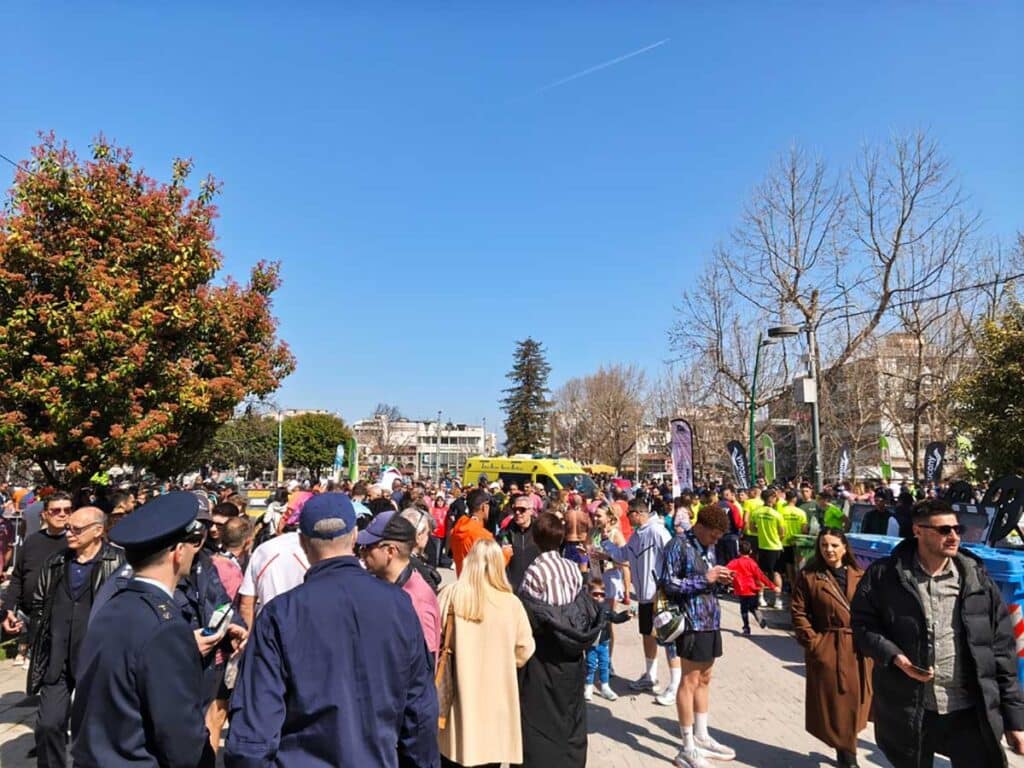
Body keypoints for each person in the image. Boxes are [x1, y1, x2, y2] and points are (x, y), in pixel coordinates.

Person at [224, 493, 439, 767]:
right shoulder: (398, 605)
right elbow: (419, 712)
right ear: (354, 536)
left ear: (303, 543)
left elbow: (253, 729)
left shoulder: (281, 614)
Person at [852, 498, 1024, 768]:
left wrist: (1015, 720)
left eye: (957, 529)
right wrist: (895, 657)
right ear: (918, 531)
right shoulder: (885, 576)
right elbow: (863, 626)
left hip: (970, 710)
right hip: (912, 710)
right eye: (944, 530)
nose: (954, 536)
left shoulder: (976, 579)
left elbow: (1002, 651)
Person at [70, 492, 217, 768]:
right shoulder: (166, 626)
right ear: (178, 552)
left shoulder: (112, 606)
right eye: (194, 542)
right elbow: (181, 738)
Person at [27, 506, 124, 768]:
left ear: (98, 531)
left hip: (96, 658)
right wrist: (35, 638)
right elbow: (39, 604)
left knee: (93, 729)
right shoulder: (56, 561)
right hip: (57, 656)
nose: (69, 533)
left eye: (76, 529)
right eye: (68, 528)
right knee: (48, 725)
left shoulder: (119, 564)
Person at [438, 540, 535, 768]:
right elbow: (525, 649)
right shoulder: (511, 603)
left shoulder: (450, 595)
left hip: (456, 700)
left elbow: (434, 638)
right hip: (496, 703)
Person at [517, 513, 601, 768]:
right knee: (570, 711)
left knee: (542, 715)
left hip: (546, 651)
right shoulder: (572, 568)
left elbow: (528, 614)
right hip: (573, 650)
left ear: (535, 539)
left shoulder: (534, 571)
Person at [660, 504, 737, 768]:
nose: (715, 541)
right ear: (701, 526)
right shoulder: (677, 545)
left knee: (705, 678)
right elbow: (669, 583)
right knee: (689, 681)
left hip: (710, 619)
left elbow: (708, 577)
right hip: (690, 621)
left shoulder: (707, 547)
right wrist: (706, 578)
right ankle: (687, 747)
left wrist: (720, 580)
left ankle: (701, 735)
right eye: (713, 535)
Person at [791, 528, 872, 768]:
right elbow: (798, 612)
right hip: (829, 648)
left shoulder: (860, 575)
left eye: (834, 545)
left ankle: (845, 750)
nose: (829, 550)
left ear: (845, 548)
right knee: (838, 704)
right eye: (824, 545)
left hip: (858, 649)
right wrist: (815, 644)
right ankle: (848, 758)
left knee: (857, 703)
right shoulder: (809, 576)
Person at [599, 498, 675, 698]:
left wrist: (667, 586)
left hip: (659, 595)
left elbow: (673, 556)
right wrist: (606, 543)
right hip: (643, 596)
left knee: (669, 638)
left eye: (629, 514)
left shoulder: (657, 531)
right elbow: (623, 554)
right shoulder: (637, 534)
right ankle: (650, 676)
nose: (627, 518)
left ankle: (675, 685)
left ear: (638, 513)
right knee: (647, 634)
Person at [358, 511, 441, 662]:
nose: (361, 552)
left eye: (367, 547)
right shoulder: (387, 585)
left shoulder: (416, 600)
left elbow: (424, 666)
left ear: (390, 551)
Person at [1, 493, 70, 667]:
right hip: (30, 614)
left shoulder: (75, 543)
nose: (62, 514)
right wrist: (9, 608)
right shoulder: (32, 541)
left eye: (67, 510)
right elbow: (18, 577)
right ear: (45, 514)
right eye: (56, 510)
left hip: (62, 620)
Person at [583, 577, 631, 702]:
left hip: (604, 642)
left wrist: (625, 615)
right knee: (590, 665)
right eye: (595, 594)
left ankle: (605, 686)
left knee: (605, 665)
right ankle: (588, 686)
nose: (599, 597)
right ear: (589, 594)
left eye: (602, 594)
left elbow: (615, 617)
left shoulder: (606, 607)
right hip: (591, 643)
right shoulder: (586, 608)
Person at [449, 489, 509, 576]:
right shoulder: (483, 535)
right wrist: (506, 553)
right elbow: (494, 567)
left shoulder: (457, 529)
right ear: (484, 506)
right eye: (489, 505)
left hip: (462, 580)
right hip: (479, 582)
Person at [726, 540, 778, 635]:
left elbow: (726, 570)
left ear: (739, 551)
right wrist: (773, 586)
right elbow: (761, 576)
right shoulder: (752, 563)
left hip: (742, 590)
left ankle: (746, 627)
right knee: (754, 607)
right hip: (752, 590)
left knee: (744, 610)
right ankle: (759, 618)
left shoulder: (735, 562)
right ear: (750, 551)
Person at [750, 488, 786, 606]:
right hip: (775, 547)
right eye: (775, 497)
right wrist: (775, 537)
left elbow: (752, 528)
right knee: (776, 573)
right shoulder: (777, 514)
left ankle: (761, 598)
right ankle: (778, 600)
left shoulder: (756, 512)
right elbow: (782, 533)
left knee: (762, 573)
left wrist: (762, 532)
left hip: (762, 546)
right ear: (771, 498)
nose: (776, 499)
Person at [497, 496, 540, 590]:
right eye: (515, 509)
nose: (517, 512)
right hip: (512, 587)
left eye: (522, 509)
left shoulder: (539, 531)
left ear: (531, 511)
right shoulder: (505, 533)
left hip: (534, 587)